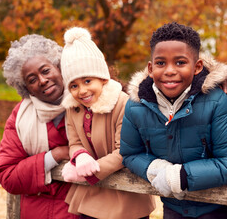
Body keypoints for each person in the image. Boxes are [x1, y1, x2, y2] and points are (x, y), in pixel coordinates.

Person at [120, 22, 227, 218]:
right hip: (172, 208)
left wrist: (181, 176)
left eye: (180, 62)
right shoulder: (136, 105)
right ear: (151, 68)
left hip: (215, 209)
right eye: (161, 63)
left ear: (197, 67)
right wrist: (155, 168)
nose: (170, 70)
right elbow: (130, 154)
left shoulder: (217, 101)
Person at [59, 27, 155, 219]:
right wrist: (79, 157)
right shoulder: (73, 108)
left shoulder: (122, 103)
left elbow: (125, 150)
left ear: (102, 78)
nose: (82, 91)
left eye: (87, 81)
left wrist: (91, 171)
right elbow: (74, 141)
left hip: (125, 195)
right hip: (90, 196)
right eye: (74, 86)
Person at [0, 34, 79, 219]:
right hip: (38, 212)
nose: (42, 80)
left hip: (86, 210)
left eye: (46, 71)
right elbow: (7, 174)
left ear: (58, 66)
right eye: (32, 80)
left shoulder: (90, 100)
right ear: (25, 88)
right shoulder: (20, 117)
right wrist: (55, 155)